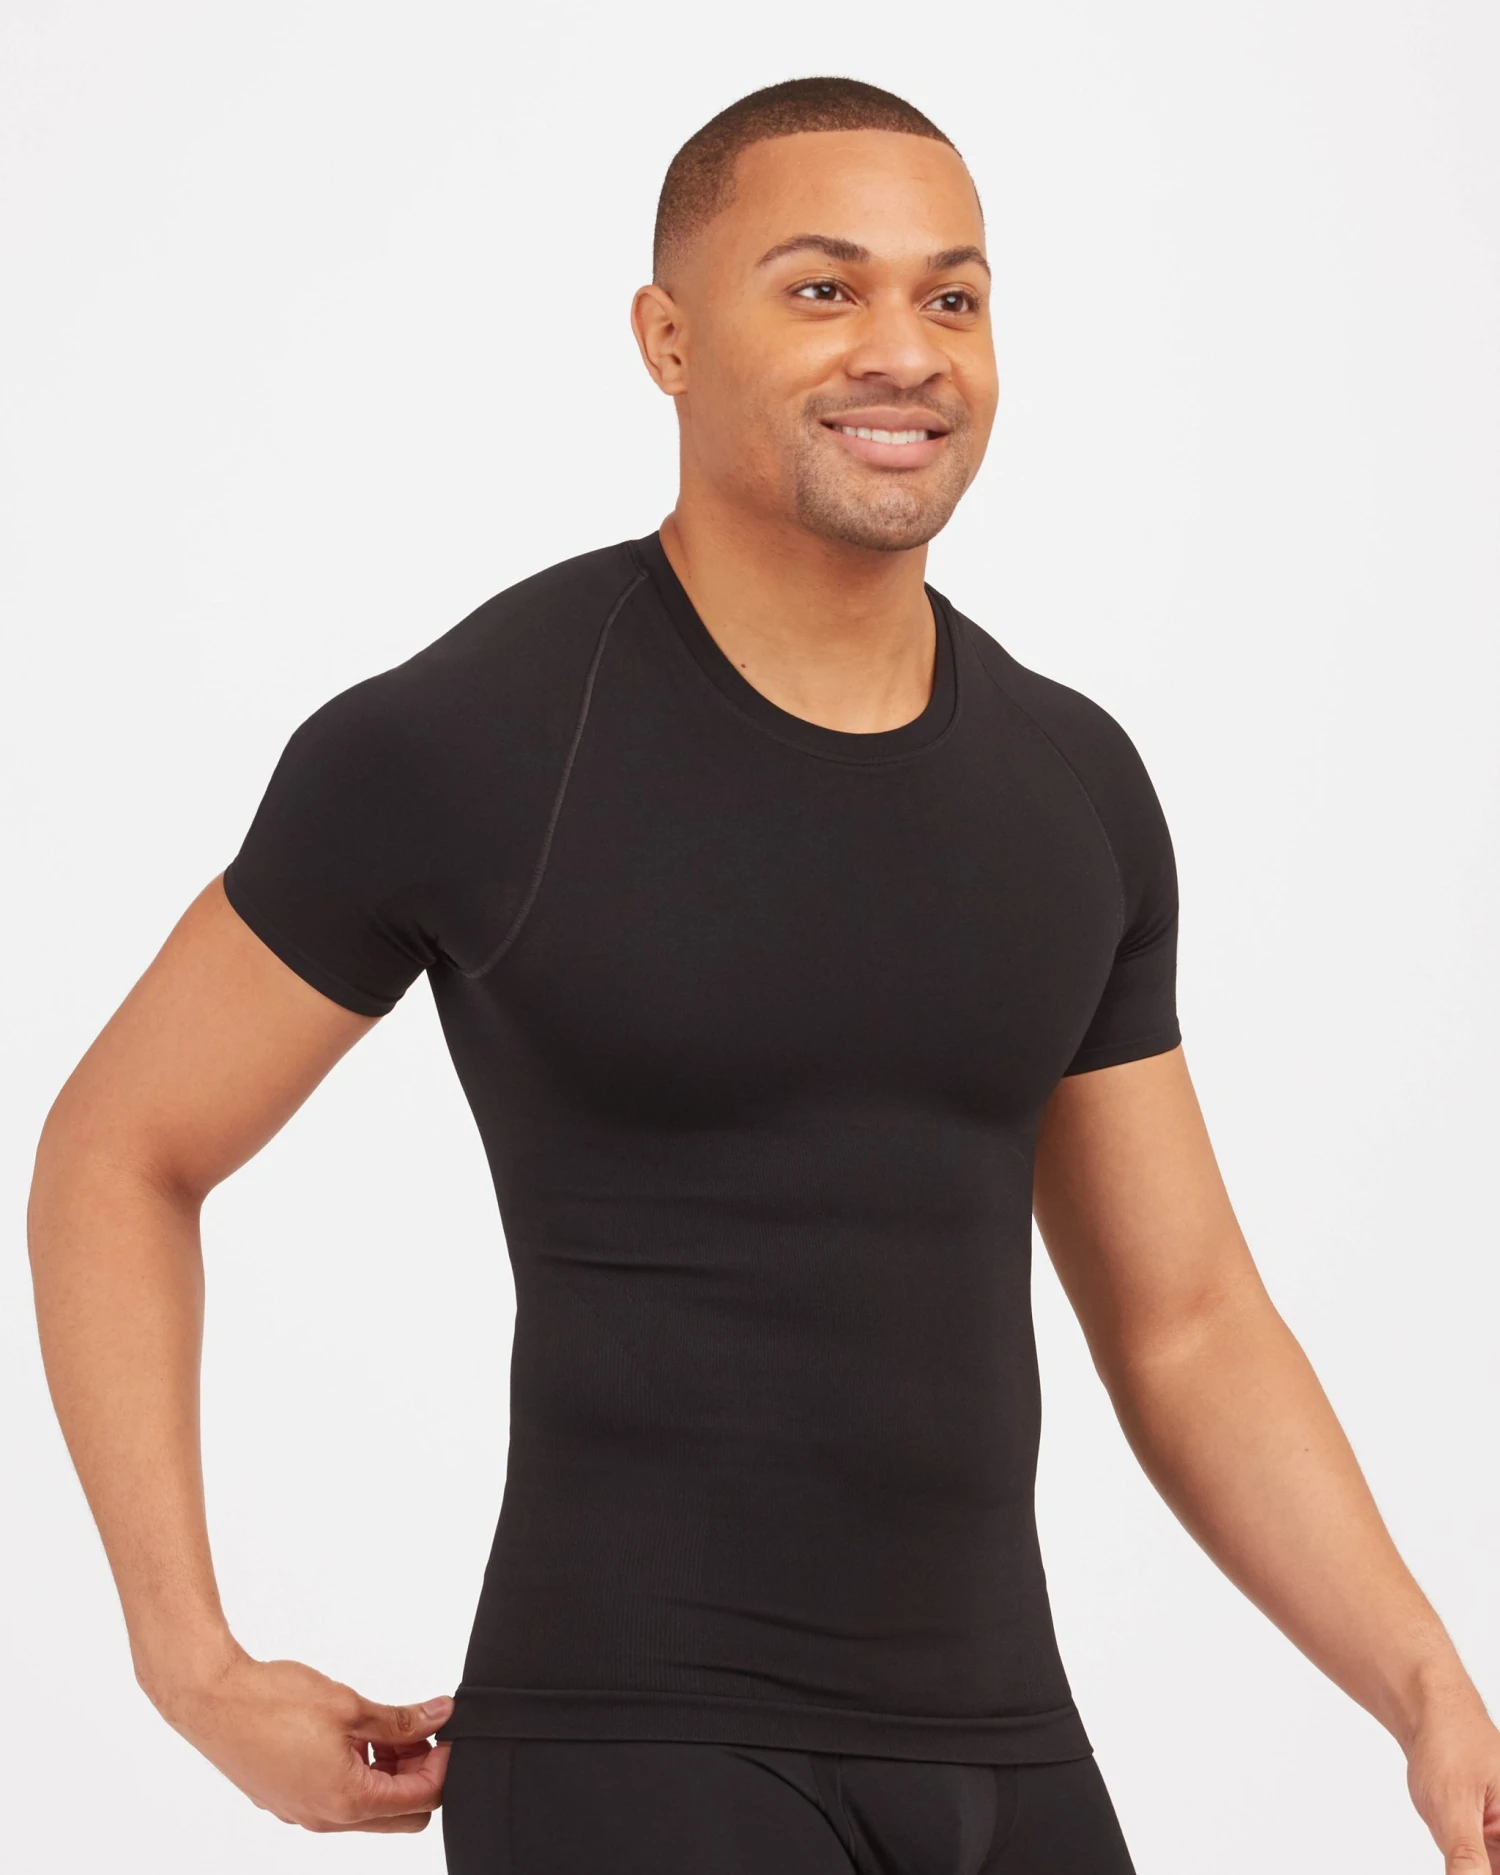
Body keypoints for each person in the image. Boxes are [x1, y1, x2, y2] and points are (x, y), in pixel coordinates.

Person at [26, 74, 1499, 1875]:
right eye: (823, 288)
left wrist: (1427, 1689)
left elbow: (1184, 1317)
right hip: (638, 1749)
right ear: (666, 339)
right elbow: (120, 1149)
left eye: (951, 295)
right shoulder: (483, 738)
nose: (906, 350)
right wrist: (188, 1662)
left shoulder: (1072, 785)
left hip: (1009, 1747)